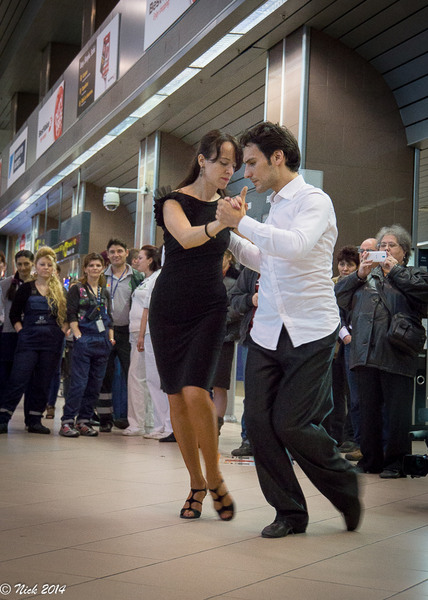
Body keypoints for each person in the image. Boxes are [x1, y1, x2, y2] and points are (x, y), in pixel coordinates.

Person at [216, 121, 360, 538]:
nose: (247, 173)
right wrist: (229, 235)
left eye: (252, 163)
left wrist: (241, 223)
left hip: (311, 329)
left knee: (292, 423)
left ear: (277, 157)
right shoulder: (274, 206)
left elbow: (295, 246)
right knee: (259, 424)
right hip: (267, 331)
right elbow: (268, 259)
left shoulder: (315, 201)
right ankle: (290, 512)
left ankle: (344, 485)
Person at [149, 129, 243, 521]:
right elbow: (187, 238)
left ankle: (215, 475)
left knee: (195, 391)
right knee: (176, 396)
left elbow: (246, 249)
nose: (229, 171)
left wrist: (237, 221)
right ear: (203, 160)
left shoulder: (229, 207)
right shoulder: (172, 201)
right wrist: (222, 222)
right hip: (169, 307)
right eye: (223, 162)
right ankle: (196, 483)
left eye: (234, 165)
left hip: (209, 308)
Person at [335, 225, 428, 478]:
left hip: (397, 351)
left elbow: (424, 294)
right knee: (367, 410)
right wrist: (359, 275)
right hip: (364, 353)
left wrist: (394, 271)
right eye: (382, 245)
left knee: (396, 412)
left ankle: (396, 462)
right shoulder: (365, 277)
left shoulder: (414, 274)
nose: (385, 249)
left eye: (391, 245)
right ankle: (371, 459)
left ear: (404, 251)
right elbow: (338, 297)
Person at [0, 246, 68, 434]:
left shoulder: (60, 291)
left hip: (51, 343)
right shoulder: (25, 289)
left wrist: (61, 333)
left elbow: (67, 316)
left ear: (53, 267)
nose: (46, 268)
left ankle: (34, 420)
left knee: (43, 381)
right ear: (36, 267)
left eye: (49, 265)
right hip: (28, 342)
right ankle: (3, 419)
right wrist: (21, 332)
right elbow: (14, 315)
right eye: (42, 264)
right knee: (18, 379)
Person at [59, 253, 114, 437]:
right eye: (91, 265)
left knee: (95, 385)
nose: (95, 268)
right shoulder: (77, 289)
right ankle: (67, 421)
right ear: (85, 268)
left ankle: (84, 420)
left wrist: (111, 338)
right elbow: (71, 313)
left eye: (98, 265)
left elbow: (109, 318)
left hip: (102, 342)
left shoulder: (104, 292)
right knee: (79, 383)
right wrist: (78, 335)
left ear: (103, 268)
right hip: (84, 341)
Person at [97, 239, 143, 431]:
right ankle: (105, 418)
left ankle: (130, 418)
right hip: (105, 330)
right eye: (112, 252)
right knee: (103, 375)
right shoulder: (101, 276)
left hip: (127, 332)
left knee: (131, 374)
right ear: (107, 255)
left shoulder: (137, 277)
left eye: (119, 251)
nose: (116, 255)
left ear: (126, 253)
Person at [136, 245, 174, 441]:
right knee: (153, 380)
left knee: (165, 381)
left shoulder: (170, 277)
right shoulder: (155, 278)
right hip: (153, 334)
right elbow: (146, 309)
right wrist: (142, 335)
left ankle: (170, 425)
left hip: (167, 334)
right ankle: (161, 424)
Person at [324, 246, 360, 447]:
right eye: (342, 264)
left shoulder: (361, 285)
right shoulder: (331, 285)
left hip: (354, 345)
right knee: (334, 393)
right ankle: (335, 435)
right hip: (333, 348)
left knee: (353, 394)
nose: (345, 268)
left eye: (350, 265)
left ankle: (351, 435)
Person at [123, 245, 159, 437]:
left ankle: (139, 423)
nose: (136, 261)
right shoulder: (145, 280)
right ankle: (145, 422)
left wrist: (143, 334)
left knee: (139, 378)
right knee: (141, 378)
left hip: (145, 333)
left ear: (150, 260)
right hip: (137, 333)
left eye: (140, 258)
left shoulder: (157, 278)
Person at [229, 266, 259, 457]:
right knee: (252, 393)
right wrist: (251, 299)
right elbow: (234, 299)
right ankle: (248, 439)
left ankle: (277, 442)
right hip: (252, 339)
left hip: (283, 340)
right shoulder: (251, 270)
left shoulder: (289, 264)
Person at [212, 250, 241, 435]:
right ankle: (202, 425)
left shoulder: (236, 280)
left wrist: (214, 318)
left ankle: (215, 427)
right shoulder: (207, 276)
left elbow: (236, 309)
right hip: (203, 338)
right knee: (200, 385)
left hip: (224, 338)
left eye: (222, 255)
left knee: (219, 384)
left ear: (229, 257)